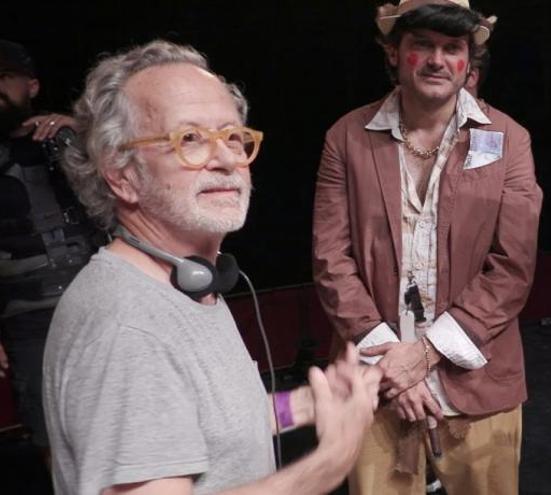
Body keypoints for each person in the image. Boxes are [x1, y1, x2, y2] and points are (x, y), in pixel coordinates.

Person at [42, 39, 380, 495]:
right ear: (122, 175)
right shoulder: (129, 326)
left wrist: (302, 406)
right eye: (190, 139)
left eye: (233, 137)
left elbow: (200, 428)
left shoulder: (183, 283)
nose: (225, 160)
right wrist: (327, 465)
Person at [312, 1, 541, 493]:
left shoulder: (510, 140)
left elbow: (512, 267)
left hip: (479, 385)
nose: (438, 60)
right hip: (376, 384)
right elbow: (332, 260)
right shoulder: (347, 137)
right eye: (422, 45)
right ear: (394, 53)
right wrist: (393, 366)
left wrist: (426, 355)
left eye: (452, 48)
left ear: (468, 61)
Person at [0, 39, 100, 462]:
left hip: (97, 300)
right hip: (26, 318)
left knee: (122, 415)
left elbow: (132, 180)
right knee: (52, 439)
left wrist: (82, 130)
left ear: (32, 86)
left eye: (5, 78)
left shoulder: (68, 139)